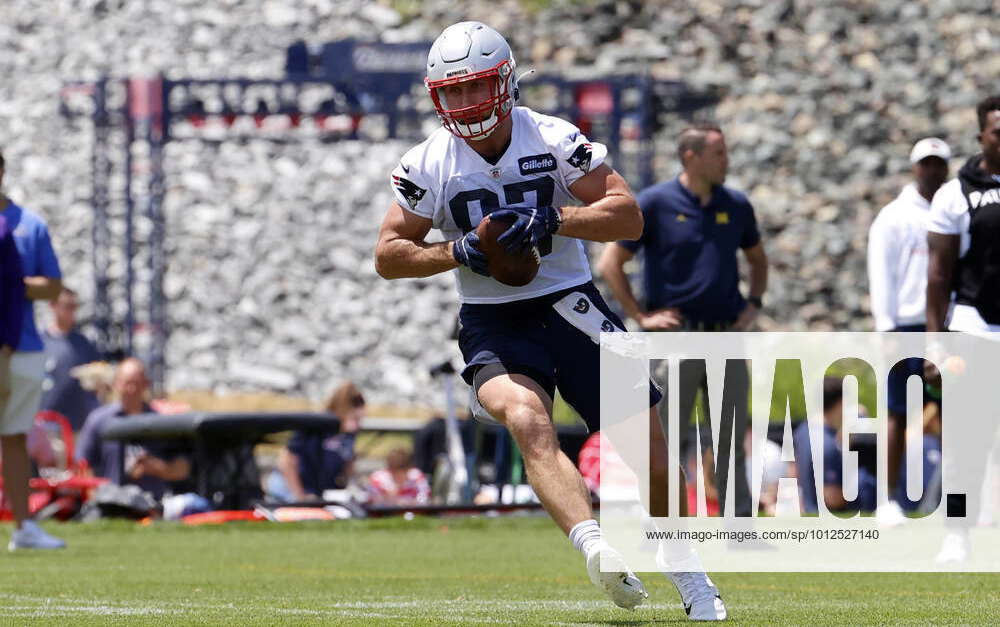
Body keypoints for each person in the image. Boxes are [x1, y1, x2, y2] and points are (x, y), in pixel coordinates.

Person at [374, 22, 725, 619]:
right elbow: (388, 254)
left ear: (505, 82)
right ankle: (595, 547)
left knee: (648, 447)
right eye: (452, 92)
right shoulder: (428, 161)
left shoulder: (553, 137)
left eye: (475, 87)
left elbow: (627, 217)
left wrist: (553, 218)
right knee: (526, 417)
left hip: (572, 303)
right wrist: (455, 251)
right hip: (493, 318)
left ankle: (686, 569)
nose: (464, 103)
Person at [597, 125, 768, 519]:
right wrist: (641, 316)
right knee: (666, 436)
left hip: (725, 335)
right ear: (691, 156)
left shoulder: (736, 205)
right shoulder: (655, 203)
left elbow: (758, 260)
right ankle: (664, 525)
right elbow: (611, 264)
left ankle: (738, 529)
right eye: (719, 153)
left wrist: (754, 303)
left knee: (728, 437)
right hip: (675, 337)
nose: (727, 160)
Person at [926, 94, 1000, 562]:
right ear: (982, 137)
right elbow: (938, 274)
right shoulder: (956, 193)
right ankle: (958, 531)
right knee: (966, 440)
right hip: (975, 329)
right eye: (999, 130)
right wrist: (934, 341)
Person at [867, 137, 951, 525]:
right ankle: (888, 500)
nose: (932, 170)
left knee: (956, 413)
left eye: (939, 164)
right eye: (926, 163)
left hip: (948, 325)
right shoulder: (895, 216)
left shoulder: (952, 209)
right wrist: (886, 326)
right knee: (898, 412)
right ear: (916, 167)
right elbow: (880, 272)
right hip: (905, 324)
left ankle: (958, 497)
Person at [0, 150, 66, 550]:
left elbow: (53, 286)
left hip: (21, 346)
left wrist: (10, 282)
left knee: (13, 436)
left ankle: (23, 526)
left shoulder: (29, 225)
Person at [76, 358, 190, 500]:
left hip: (151, 503)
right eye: (127, 384)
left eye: (137, 384)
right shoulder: (99, 420)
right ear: (116, 384)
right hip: (110, 502)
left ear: (146, 385)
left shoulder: (160, 423)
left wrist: (156, 467)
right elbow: (83, 464)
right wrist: (94, 497)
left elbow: (183, 469)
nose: (132, 390)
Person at [793, 377, 877, 515]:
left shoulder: (802, 431)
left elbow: (794, 473)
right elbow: (832, 498)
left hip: (811, 510)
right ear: (841, 402)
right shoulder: (828, 445)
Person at [267, 382, 362, 502]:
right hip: (289, 487)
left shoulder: (348, 435)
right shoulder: (316, 425)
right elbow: (286, 461)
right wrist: (300, 495)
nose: (357, 425)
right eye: (355, 419)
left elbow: (348, 464)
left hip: (315, 490)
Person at [41, 287, 102, 431]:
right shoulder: (41, 343)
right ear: (53, 306)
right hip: (46, 425)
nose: (72, 311)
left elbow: (98, 380)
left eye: (74, 306)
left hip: (78, 426)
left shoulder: (84, 344)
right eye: (67, 306)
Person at [366, 447, 431, 506]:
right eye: (395, 472)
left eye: (402, 472)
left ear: (408, 469)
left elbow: (425, 498)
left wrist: (407, 502)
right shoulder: (378, 478)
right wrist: (389, 498)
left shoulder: (416, 476)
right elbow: (371, 501)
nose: (398, 476)